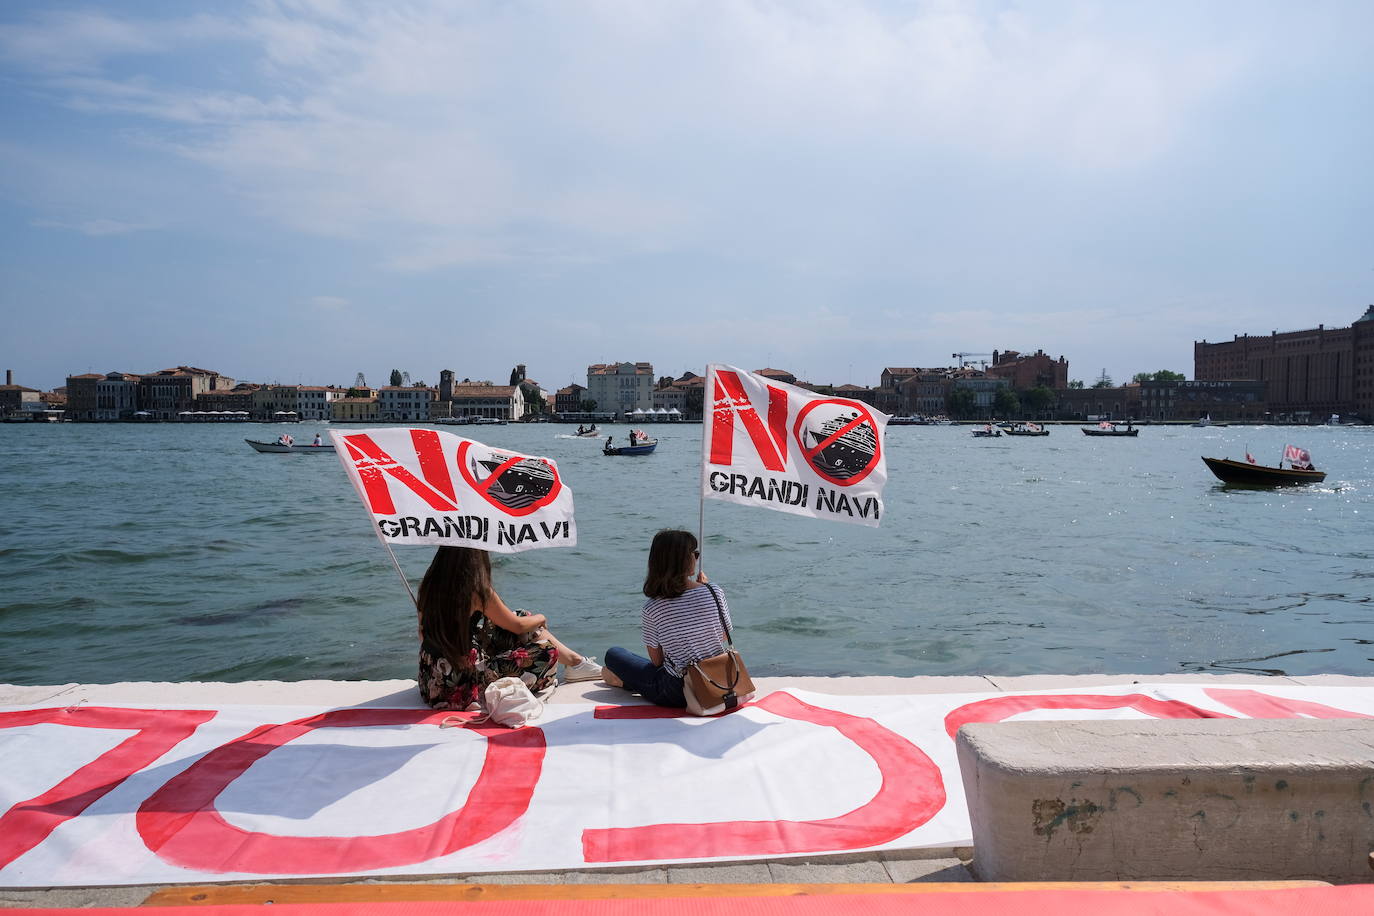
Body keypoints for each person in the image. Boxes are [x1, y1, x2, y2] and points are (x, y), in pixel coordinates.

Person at [416, 546, 600, 709]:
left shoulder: (428, 584)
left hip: (430, 683)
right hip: (461, 690)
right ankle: (576, 664)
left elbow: (422, 634)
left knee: (520, 617)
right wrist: (541, 617)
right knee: (548, 651)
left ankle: (576, 663)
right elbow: (518, 626)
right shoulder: (475, 590)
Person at [602, 529, 733, 708]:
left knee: (614, 654)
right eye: (694, 554)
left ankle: (625, 682)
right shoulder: (714, 591)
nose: (697, 558)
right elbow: (723, 636)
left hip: (678, 691)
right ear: (685, 560)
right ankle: (628, 681)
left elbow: (657, 661)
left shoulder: (653, 607)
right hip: (719, 681)